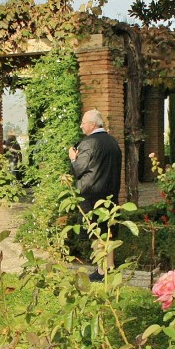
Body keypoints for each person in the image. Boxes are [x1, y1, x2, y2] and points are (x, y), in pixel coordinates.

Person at [68, 109, 122, 281]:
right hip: (110, 193)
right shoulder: (113, 142)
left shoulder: (88, 143)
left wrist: (73, 158)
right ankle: (109, 268)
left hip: (91, 194)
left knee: (95, 232)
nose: (81, 126)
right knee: (108, 231)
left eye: (83, 123)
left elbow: (79, 169)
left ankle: (101, 270)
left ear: (92, 124)